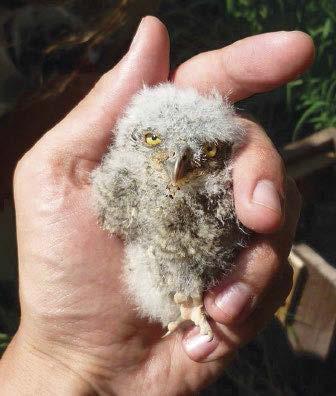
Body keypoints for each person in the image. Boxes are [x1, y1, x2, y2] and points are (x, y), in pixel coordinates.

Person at [0, 16, 313, 395]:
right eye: (152, 140)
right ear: (133, 136)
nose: (177, 164)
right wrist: (61, 357)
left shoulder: (219, 187)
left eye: (208, 150)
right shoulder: (120, 180)